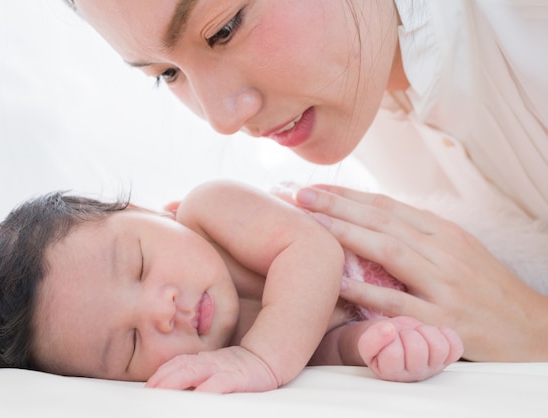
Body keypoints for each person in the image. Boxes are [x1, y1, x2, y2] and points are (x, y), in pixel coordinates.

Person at [59, 0, 548, 361]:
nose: (222, 119)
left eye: (224, 29)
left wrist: (533, 328)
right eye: (167, 73)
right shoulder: (358, 111)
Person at [0, 180, 463, 393]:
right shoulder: (238, 353)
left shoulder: (213, 209)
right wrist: (376, 345)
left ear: (146, 212)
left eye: (138, 264)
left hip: (457, 232)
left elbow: (313, 255)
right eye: (131, 344)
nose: (162, 310)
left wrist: (259, 361)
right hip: (453, 299)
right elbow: (320, 343)